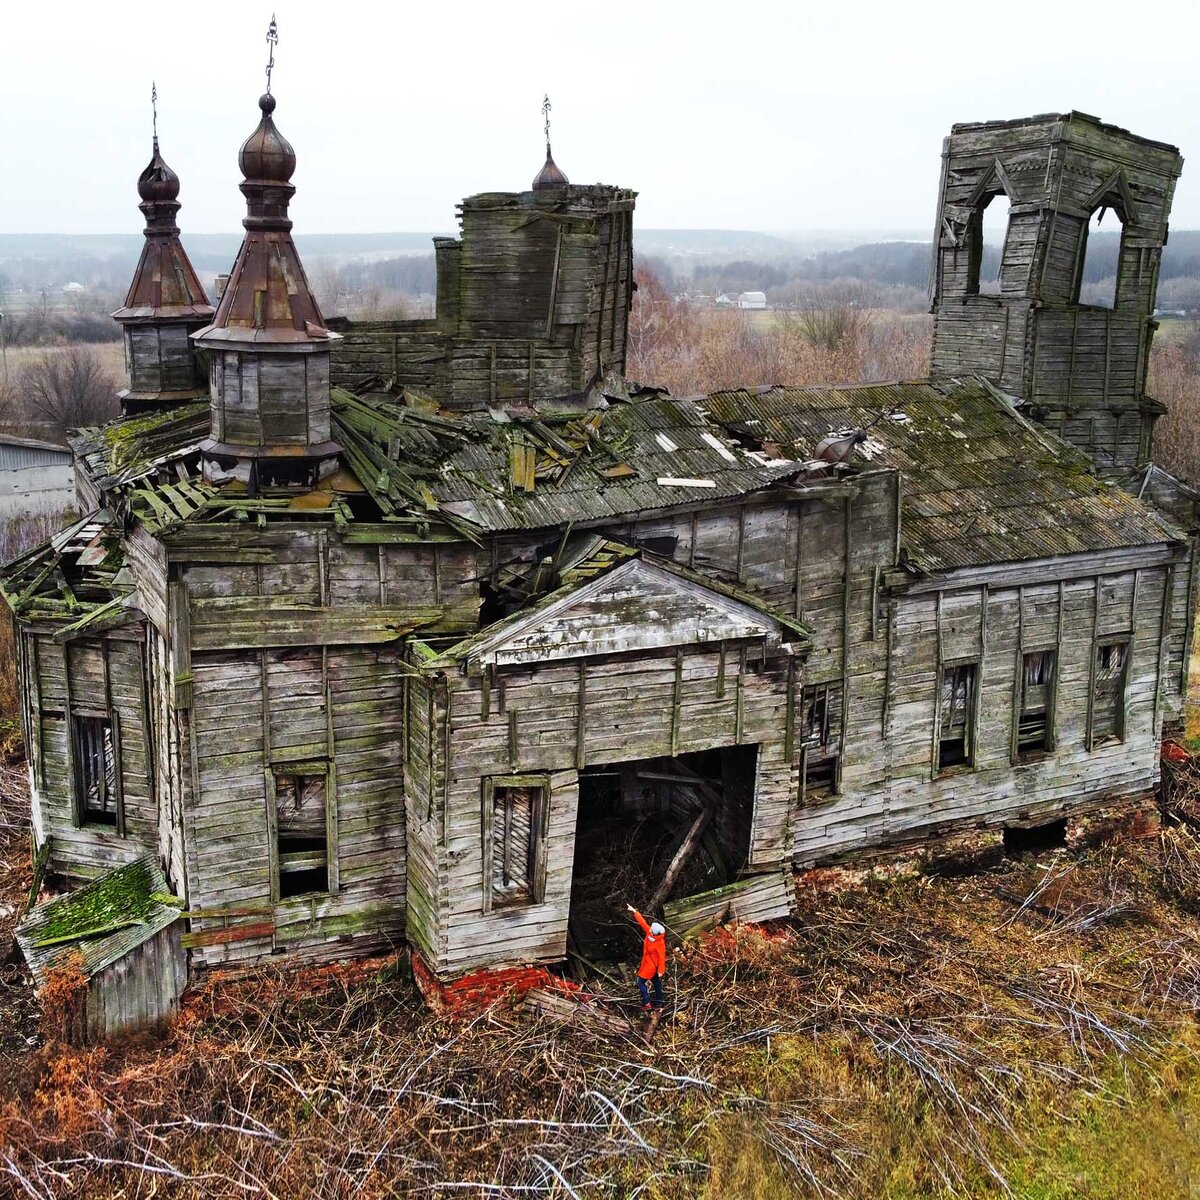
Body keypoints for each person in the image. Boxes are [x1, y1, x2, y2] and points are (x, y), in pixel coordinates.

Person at [626, 903, 667, 1010]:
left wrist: (661, 970)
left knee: (640, 982)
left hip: (651, 966)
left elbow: (662, 957)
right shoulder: (650, 933)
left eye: (652, 929)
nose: (650, 929)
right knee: (656, 983)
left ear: (655, 932)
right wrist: (634, 911)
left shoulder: (660, 942)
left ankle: (647, 1003)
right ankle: (660, 1002)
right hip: (647, 963)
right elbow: (642, 923)